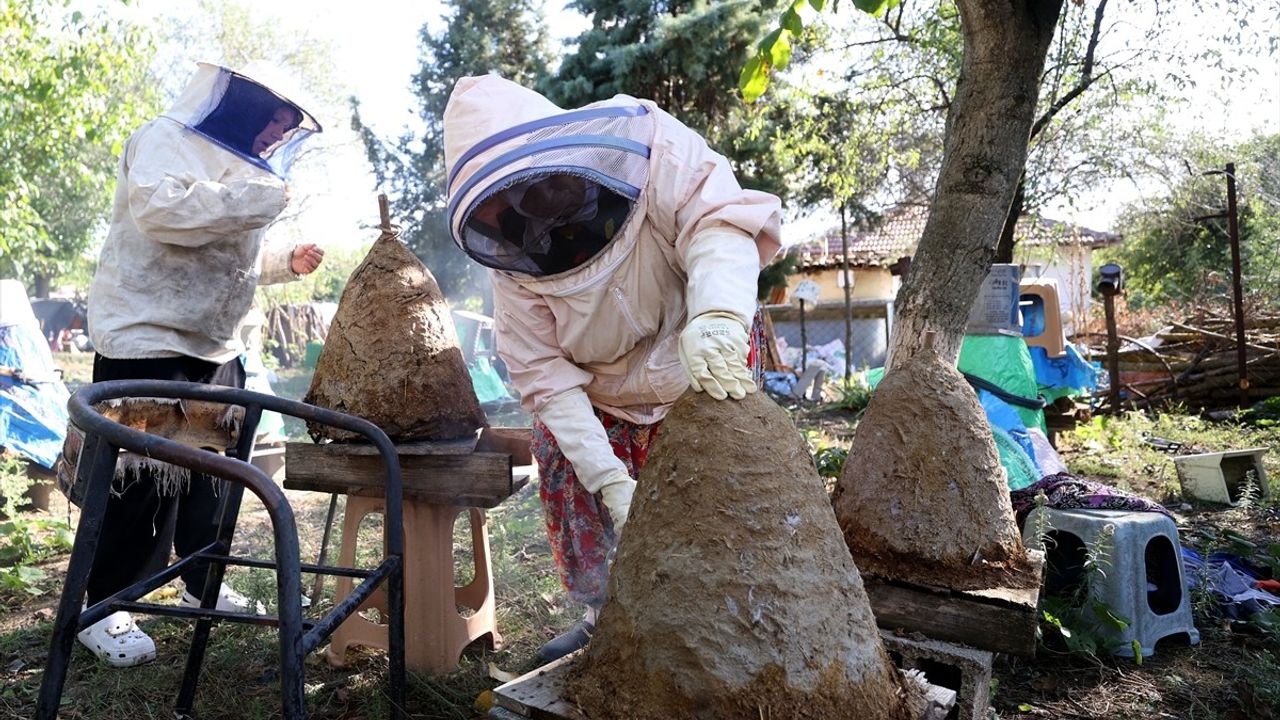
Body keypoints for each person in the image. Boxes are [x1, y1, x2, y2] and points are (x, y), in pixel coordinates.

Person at [443, 74, 782, 663]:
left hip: (701, 356)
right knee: (567, 465)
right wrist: (607, 479)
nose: (516, 220)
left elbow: (719, 221)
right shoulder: (513, 272)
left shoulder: (655, 147)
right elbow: (544, 376)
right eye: (497, 215)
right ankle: (609, 619)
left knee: (726, 500)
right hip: (602, 399)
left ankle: (747, 619)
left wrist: (721, 314)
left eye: (521, 198)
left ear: (549, 161)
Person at [78, 61, 324, 668]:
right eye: (273, 119)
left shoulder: (245, 170)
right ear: (238, 104)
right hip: (146, 335)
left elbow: (225, 258)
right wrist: (264, 199)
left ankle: (201, 581)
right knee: (138, 479)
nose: (275, 135)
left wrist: (282, 263)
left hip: (216, 345)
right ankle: (105, 607)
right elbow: (166, 215)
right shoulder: (164, 138)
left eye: (286, 126)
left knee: (214, 478)